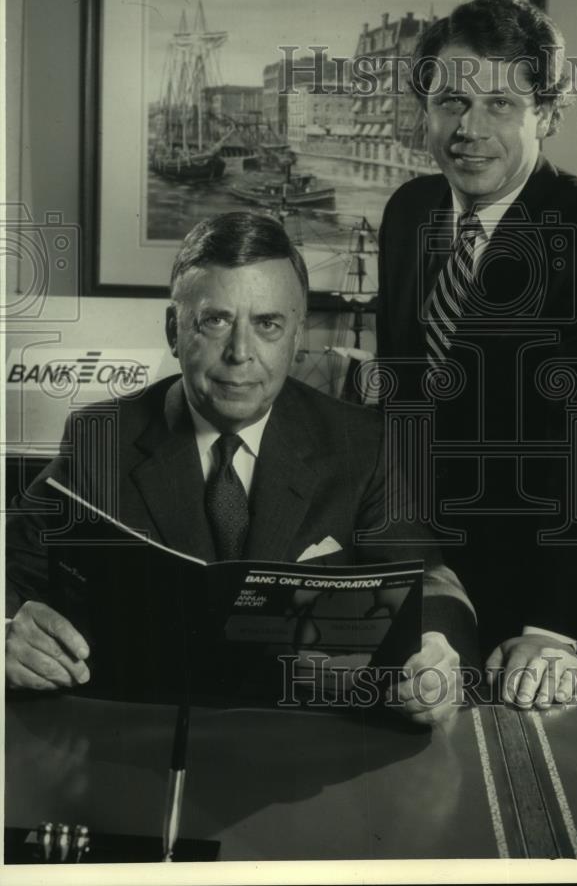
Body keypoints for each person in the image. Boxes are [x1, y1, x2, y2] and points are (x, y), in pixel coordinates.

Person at [6, 212, 477, 725]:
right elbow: (13, 573)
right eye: (216, 321)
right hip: (140, 736)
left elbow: (433, 581)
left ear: (295, 336)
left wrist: (436, 647)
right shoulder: (99, 438)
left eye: (267, 324)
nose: (240, 354)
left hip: (304, 744)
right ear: (173, 330)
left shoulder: (360, 443)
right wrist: (8, 629)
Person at [377, 0, 577, 710]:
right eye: (451, 100)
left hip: (540, 593)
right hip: (423, 571)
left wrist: (551, 630)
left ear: (548, 116)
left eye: (501, 105)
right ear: (425, 109)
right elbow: (403, 395)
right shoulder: (407, 215)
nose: (469, 129)